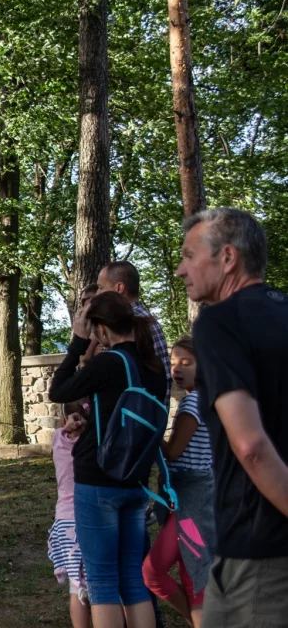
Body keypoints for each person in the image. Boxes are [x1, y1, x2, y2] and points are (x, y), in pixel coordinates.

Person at [176, 208, 288, 627]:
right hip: (234, 552)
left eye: (189, 256)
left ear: (227, 258)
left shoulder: (218, 323)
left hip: (261, 550)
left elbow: (251, 446)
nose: (179, 270)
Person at [49, 291, 169, 628]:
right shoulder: (153, 366)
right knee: (132, 577)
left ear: (100, 329)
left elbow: (59, 391)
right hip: (135, 476)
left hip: (98, 479)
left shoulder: (108, 362)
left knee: (101, 580)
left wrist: (76, 343)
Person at [142, 336, 215, 628]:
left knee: (154, 572)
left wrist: (146, 431)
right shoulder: (211, 398)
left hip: (193, 507)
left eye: (186, 362)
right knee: (193, 573)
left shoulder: (194, 402)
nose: (177, 368)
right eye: (173, 362)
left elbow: (172, 452)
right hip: (198, 501)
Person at [97, 261, 172, 407]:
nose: (97, 294)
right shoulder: (145, 318)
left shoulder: (130, 323)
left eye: (100, 287)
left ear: (119, 288)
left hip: (134, 419)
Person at [48, 399, 91, 628]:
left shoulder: (57, 439)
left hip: (64, 521)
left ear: (64, 419)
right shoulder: (93, 443)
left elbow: (62, 432)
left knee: (77, 588)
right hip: (90, 518)